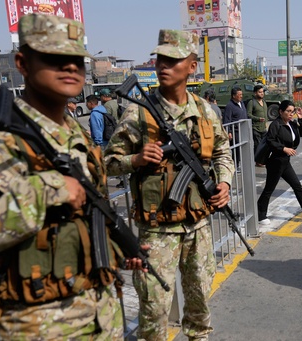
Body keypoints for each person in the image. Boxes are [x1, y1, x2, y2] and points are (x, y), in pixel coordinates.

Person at [0, 13, 146, 340]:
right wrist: (48, 189)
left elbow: (88, 215)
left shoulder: (77, 134)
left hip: (101, 311)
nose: (70, 67)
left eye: (77, 60)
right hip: (42, 323)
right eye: (55, 58)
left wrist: (120, 248)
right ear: (22, 63)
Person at [105, 29, 234, 341]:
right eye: (160, 59)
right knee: (154, 306)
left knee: (201, 297)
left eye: (173, 60)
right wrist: (134, 160)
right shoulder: (139, 112)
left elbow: (222, 151)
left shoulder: (204, 109)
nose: (163, 66)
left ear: (191, 66)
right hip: (157, 227)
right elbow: (107, 163)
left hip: (199, 224)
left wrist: (226, 182)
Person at [257, 100, 302, 225]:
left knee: (297, 186)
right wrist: (284, 148)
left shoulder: (292, 124)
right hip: (276, 161)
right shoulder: (275, 125)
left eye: (292, 111)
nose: (290, 113)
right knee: (269, 188)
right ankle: (260, 215)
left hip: (285, 161)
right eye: (288, 111)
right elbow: (270, 141)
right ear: (281, 112)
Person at [223, 87, 248, 170]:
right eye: (239, 94)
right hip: (235, 131)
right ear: (234, 96)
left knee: (243, 148)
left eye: (241, 94)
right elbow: (227, 120)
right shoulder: (229, 106)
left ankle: (240, 163)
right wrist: (229, 132)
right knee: (236, 149)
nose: (241, 96)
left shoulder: (242, 103)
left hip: (243, 130)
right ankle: (235, 165)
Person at [246, 84, 268, 166]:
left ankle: (261, 160)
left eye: (262, 92)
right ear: (255, 93)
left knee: (264, 145)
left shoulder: (264, 102)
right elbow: (248, 114)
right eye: (260, 92)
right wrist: (258, 119)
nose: (262, 93)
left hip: (263, 128)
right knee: (257, 145)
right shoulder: (252, 102)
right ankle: (258, 161)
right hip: (255, 128)